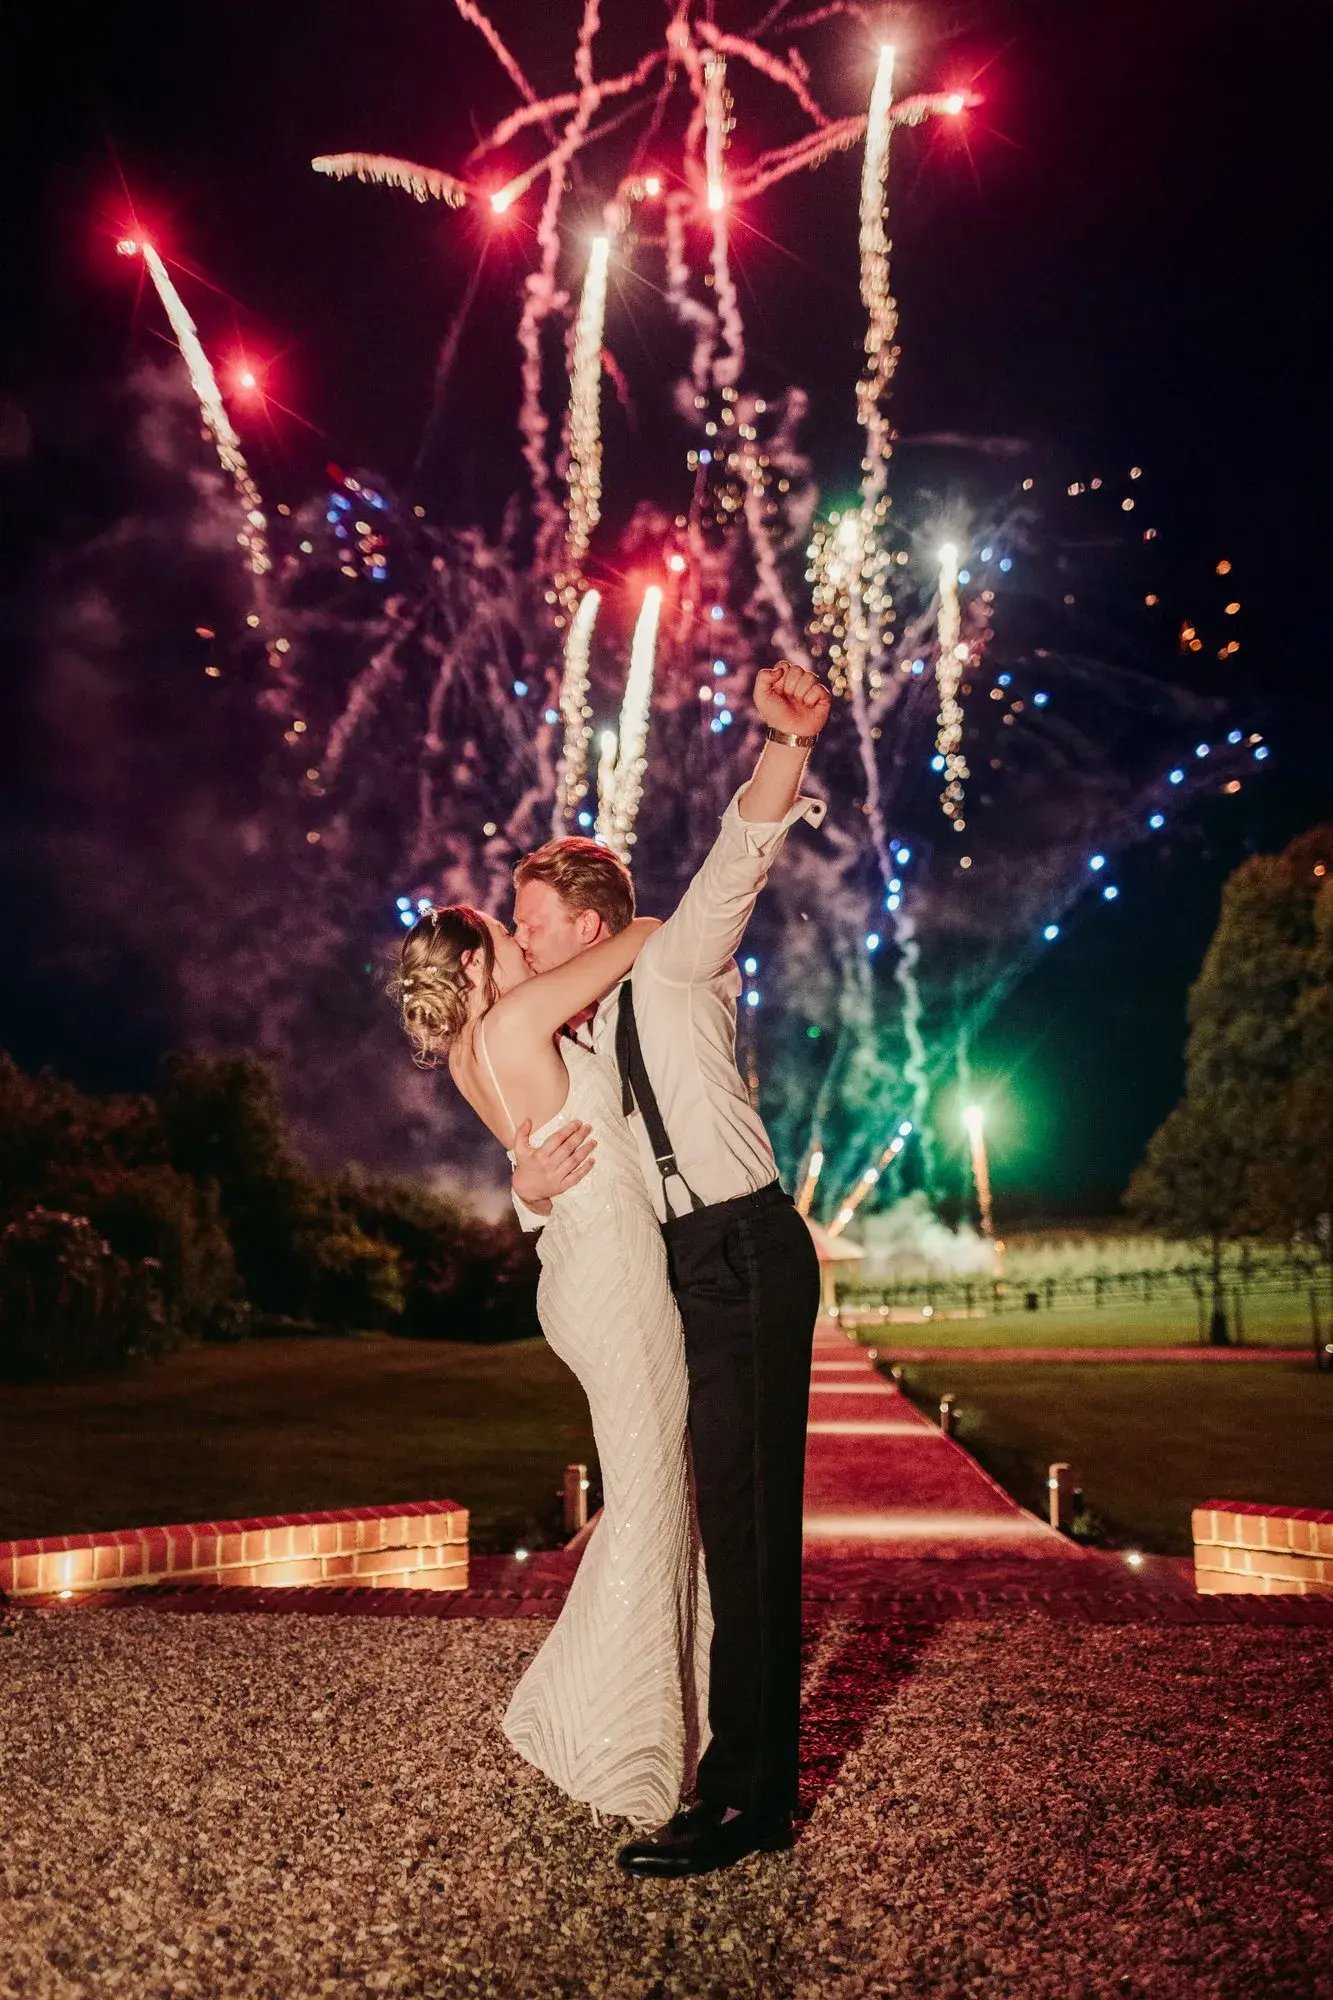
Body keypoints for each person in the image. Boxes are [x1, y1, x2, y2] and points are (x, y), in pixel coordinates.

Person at [511, 660, 829, 1876]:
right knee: (712, 1517)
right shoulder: (568, 1028)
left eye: (534, 922)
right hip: (685, 1268)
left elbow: (740, 853)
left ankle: (751, 1799)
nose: (522, 937)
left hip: (745, 1249)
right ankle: (722, 1765)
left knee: (747, 1530)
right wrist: (528, 1189)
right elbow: (570, 1169)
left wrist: (784, 746)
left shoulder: (672, 960)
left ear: (590, 924)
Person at [390, 898, 710, 1829]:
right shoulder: (520, 1018)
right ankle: (618, 1744)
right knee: (654, 1503)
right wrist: (618, 923)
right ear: (479, 965)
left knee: (654, 1493)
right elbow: (649, 936)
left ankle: (666, 1722)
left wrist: (522, 1185)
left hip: (578, 1274)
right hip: (611, 1277)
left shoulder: (466, 1057)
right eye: (507, 933)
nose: (523, 943)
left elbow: (533, 1164)